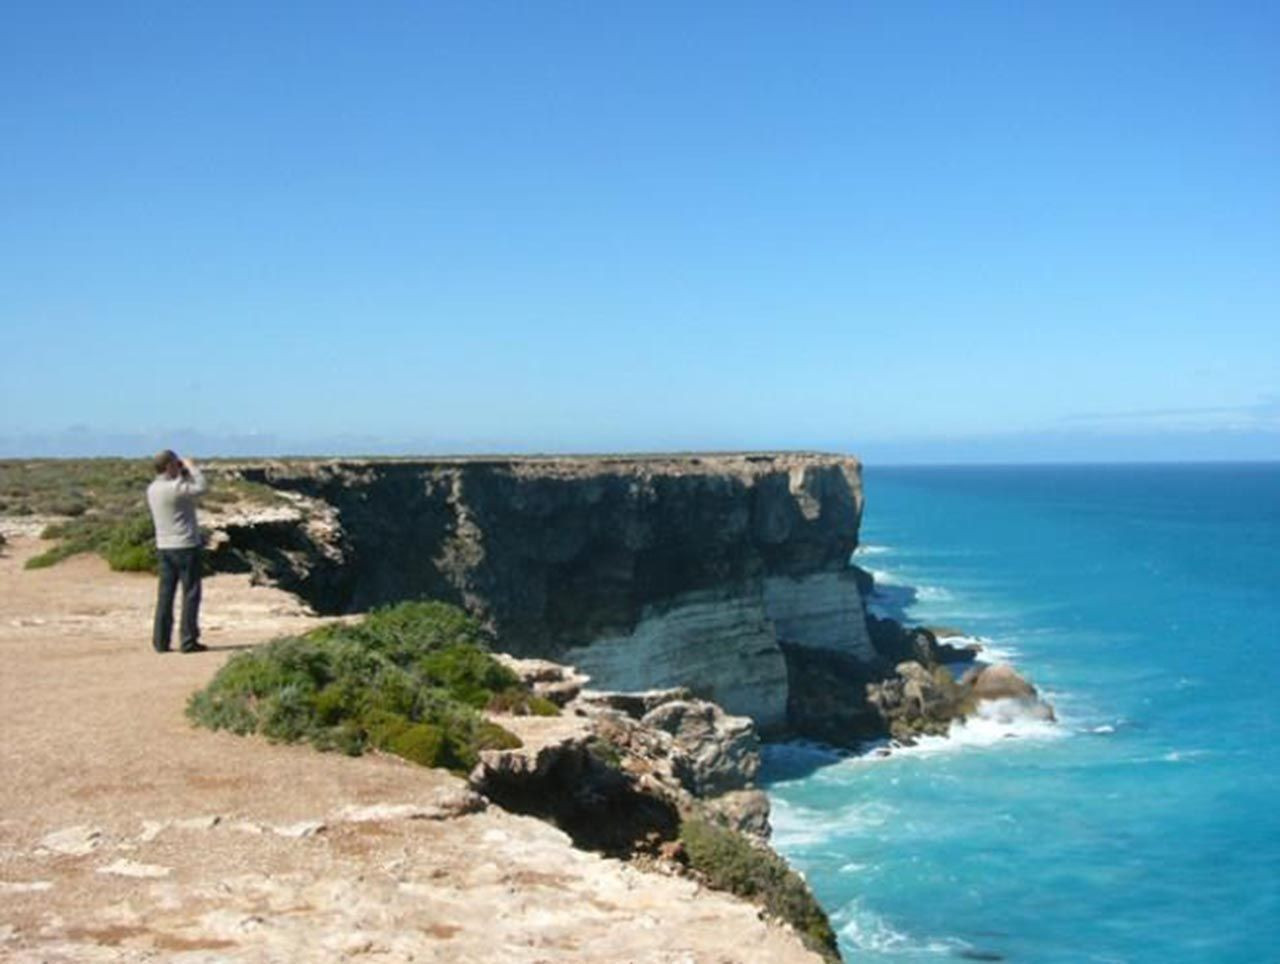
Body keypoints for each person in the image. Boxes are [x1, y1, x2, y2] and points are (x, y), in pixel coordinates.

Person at [146, 450, 209, 653]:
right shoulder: (176, 488)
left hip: (164, 547)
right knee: (190, 594)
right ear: (169, 466)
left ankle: (161, 641)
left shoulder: (152, 489)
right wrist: (191, 467)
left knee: (165, 596)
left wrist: (181, 473)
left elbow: (181, 487)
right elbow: (201, 487)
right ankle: (188, 640)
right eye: (175, 464)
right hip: (186, 546)